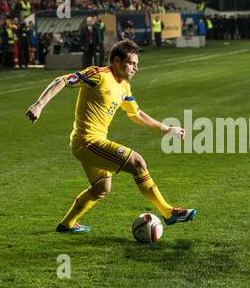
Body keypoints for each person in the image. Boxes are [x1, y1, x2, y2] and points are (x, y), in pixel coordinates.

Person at [25, 40, 197, 233]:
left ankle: (67, 224)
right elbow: (62, 80)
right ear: (116, 60)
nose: (136, 68)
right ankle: (168, 212)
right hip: (87, 141)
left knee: (101, 189)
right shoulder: (98, 75)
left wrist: (167, 128)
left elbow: (136, 114)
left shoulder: (124, 86)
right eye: (132, 63)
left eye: (137, 64)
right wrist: (39, 104)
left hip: (93, 143)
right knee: (138, 163)